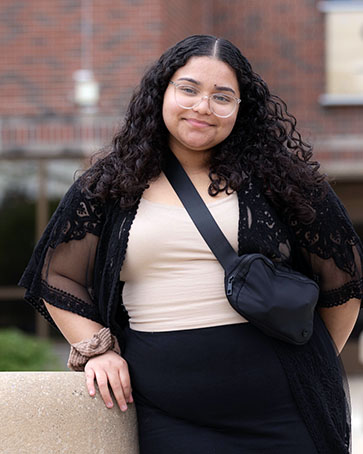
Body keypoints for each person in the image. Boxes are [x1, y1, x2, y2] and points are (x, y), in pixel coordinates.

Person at [19, 35, 362, 454]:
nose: (203, 107)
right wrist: (97, 350)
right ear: (162, 92)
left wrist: (311, 359)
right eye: (189, 89)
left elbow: (344, 282)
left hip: (285, 414)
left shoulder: (285, 183)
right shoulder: (109, 184)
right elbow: (57, 276)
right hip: (169, 418)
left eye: (222, 97)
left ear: (241, 109)